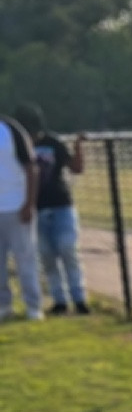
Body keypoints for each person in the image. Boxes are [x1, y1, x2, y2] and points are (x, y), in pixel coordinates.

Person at [13, 105, 88, 316]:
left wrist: (78, 147)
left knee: (67, 249)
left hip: (60, 204)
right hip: (36, 208)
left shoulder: (53, 143)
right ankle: (59, 300)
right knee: (47, 256)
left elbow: (76, 168)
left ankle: (79, 298)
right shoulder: (17, 147)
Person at [0, 113, 42, 323]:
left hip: (16, 206)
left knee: (25, 259)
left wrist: (29, 203)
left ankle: (33, 307)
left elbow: (31, 167)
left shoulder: (11, 130)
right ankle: (3, 306)